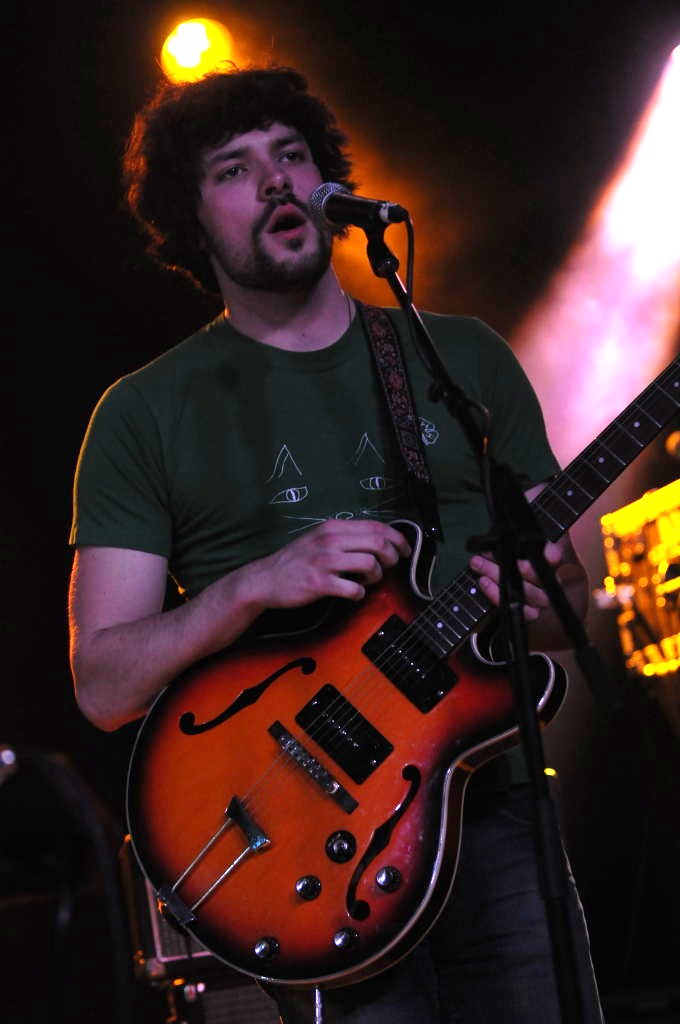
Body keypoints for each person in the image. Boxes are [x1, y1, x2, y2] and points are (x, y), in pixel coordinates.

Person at [67, 64, 604, 1023]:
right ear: (194, 223)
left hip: (491, 806)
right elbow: (104, 683)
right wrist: (254, 585)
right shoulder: (143, 412)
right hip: (308, 841)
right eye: (234, 169)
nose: (276, 179)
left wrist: (551, 593)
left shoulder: (461, 358)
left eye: (292, 154)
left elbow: (565, 614)